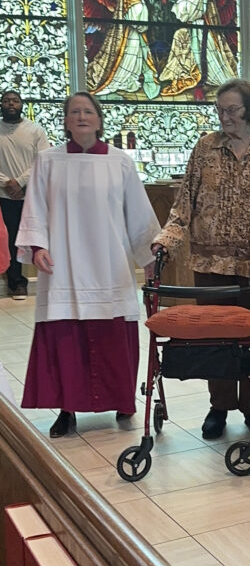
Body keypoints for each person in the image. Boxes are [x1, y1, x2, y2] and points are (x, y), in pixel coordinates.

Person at [154, 79, 250, 441]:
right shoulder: (205, 147)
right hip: (211, 264)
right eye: (220, 110)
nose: (224, 116)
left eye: (232, 109)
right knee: (215, 337)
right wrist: (166, 240)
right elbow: (184, 204)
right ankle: (219, 406)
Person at [16, 92, 155, 437]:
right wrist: (37, 246)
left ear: (99, 119)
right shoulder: (47, 160)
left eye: (88, 111)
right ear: (65, 120)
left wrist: (149, 257)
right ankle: (66, 408)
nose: (81, 117)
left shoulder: (120, 162)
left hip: (110, 263)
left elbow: (138, 213)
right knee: (65, 336)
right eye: (75, 112)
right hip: (63, 263)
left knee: (114, 336)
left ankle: (123, 400)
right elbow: (35, 206)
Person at [0, 90, 49, 299]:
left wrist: (20, 182)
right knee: (10, 239)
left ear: (22, 104)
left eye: (15, 101)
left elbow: (43, 160)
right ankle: (16, 283)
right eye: (6, 101)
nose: (11, 104)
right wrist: (6, 182)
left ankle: (49, 279)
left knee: (36, 236)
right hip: (3, 194)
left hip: (31, 192)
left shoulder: (35, 130)